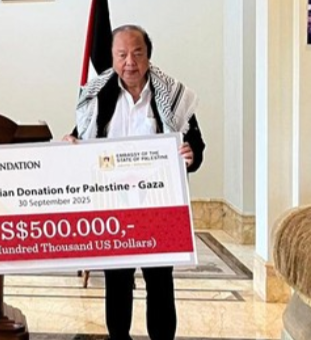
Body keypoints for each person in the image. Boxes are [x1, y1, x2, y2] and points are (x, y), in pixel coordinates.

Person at [64, 24, 205, 340]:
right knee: (117, 280)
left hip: (159, 205)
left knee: (159, 281)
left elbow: (196, 144)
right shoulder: (97, 96)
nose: (130, 62)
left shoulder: (173, 96)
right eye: (122, 54)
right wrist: (71, 143)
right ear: (112, 58)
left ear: (148, 56)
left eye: (137, 53)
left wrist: (191, 153)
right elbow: (81, 136)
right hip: (113, 205)